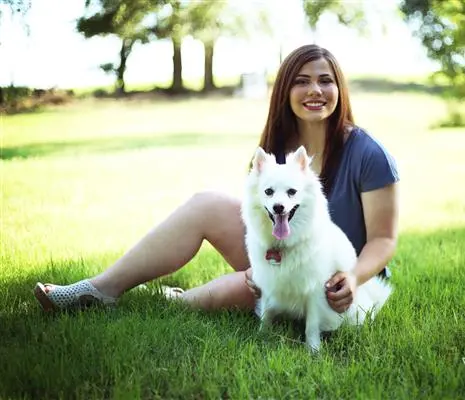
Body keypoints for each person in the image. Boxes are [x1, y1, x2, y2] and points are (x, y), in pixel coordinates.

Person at [34, 44, 400, 315]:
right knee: (206, 204)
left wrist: (351, 278)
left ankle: (176, 305)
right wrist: (265, 258)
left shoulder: (368, 154)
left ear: (340, 89)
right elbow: (259, 219)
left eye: (325, 81)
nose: (315, 91)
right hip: (287, 257)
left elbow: (383, 240)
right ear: (285, 91)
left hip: (342, 283)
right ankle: (101, 291)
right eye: (302, 81)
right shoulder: (277, 148)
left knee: (254, 284)